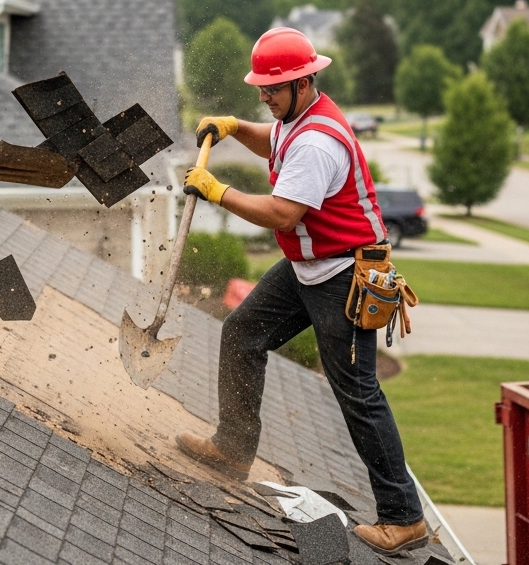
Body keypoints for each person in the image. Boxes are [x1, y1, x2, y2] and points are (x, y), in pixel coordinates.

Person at [175, 27, 428, 554]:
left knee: (358, 393)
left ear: (305, 81)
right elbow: (273, 140)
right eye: (261, 88)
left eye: (274, 88)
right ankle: (233, 448)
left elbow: (284, 213)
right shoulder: (297, 119)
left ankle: (404, 517)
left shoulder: (317, 141)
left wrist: (219, 191)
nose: (264, 96)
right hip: (310, 267)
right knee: (243, 334)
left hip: (344, 276)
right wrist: (233, 128)